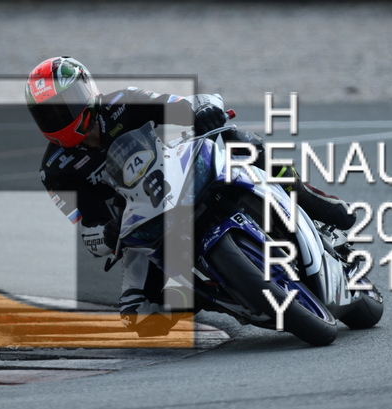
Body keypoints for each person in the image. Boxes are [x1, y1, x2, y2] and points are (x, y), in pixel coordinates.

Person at [26, 56, 355, 336]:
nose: (61, 116)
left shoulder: (123, 102)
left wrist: (206, 110)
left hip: (181, 173)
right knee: (141, 318)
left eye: (66, 104)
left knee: (240, 141)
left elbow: (186, 103)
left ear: (87, 90)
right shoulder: (54, 170)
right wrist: (107, 233)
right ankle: (216, 296)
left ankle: (314, 202)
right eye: (49, 113)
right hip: (142, 221)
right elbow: (89, 233)